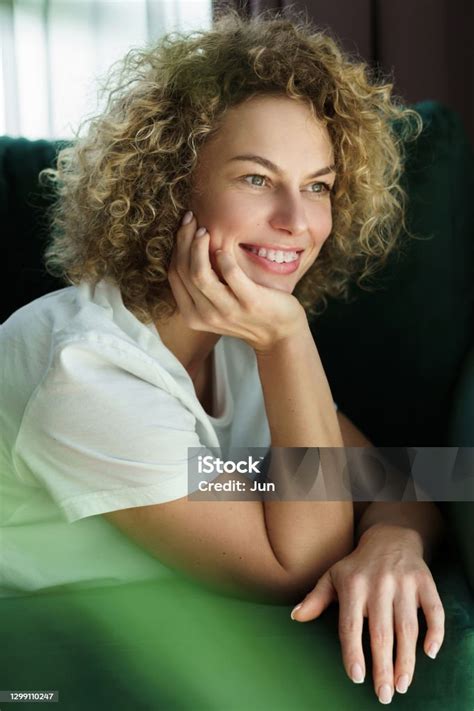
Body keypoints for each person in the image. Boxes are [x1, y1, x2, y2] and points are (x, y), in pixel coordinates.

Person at [0, 8, 446, 705]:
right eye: (257, 179)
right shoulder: (84, 373)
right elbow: (299, 559)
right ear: (171, 186)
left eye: (319, 186)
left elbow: (408, 480)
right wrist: (288, 338)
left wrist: (393, 540)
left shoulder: (231, 332)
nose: (298, 224)